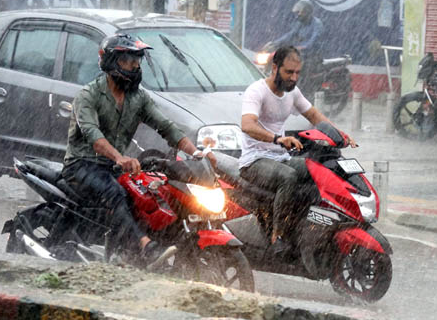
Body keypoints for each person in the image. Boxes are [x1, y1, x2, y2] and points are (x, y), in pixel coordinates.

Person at [61, 33, 216, 269]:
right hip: (82, 166)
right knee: (116, 194)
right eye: (128, 61)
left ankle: (132, 250)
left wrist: (196, 154)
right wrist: (119, 157)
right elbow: (93, 136)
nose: (134, 66)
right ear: (111, 61)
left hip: (113, 167)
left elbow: (166, 127)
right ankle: (145, 246)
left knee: (152, 196)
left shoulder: (138, 98)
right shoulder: (88, 95)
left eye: (137, 61)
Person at [239, 46, 356, 254]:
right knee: (289, 177)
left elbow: (315, 116)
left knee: (321, 170)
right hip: (254, 160)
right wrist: (278, 139)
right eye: (289, 72)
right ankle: (279, 236)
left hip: (280, 157)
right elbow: (247, 125)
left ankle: (311, 228)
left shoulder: (293, 93)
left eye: (297, 73)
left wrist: (340, 135)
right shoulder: (257, 91)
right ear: (275, 68)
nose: (294, 78)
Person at [273, 0, 324, 95]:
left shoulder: (317, 24)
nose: (299, 14)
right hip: (301, 54)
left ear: (308, 12)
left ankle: (305, 91)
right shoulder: (300, 23)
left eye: (301, 12)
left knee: (300, 69)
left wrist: (303, 47)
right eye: (298, 12)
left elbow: (314, 40)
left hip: (313, 55)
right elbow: (290, 34)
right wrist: (275, 43)